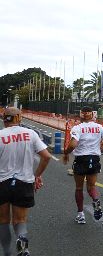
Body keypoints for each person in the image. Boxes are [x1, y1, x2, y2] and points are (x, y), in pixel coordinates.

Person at [0, 107, 51, 256]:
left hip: (2, 182)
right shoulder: (30, 134)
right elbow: (46, 156)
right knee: (20, 219)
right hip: (24, 182)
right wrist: (37, 175)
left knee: (3, 220)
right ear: (19, 118)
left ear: (5, 119)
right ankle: (23, 244)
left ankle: (7, 252)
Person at [62, 106, 103, 224]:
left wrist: (66, 153)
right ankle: (95, 200)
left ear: (81, 115)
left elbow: (72, 145)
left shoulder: (77, 128)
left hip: (81, 159)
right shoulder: (99, 127)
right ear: (92, 115)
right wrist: (100, 150)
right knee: (91, 187)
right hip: (94, 159)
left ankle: (80, 215)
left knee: (79, 188)